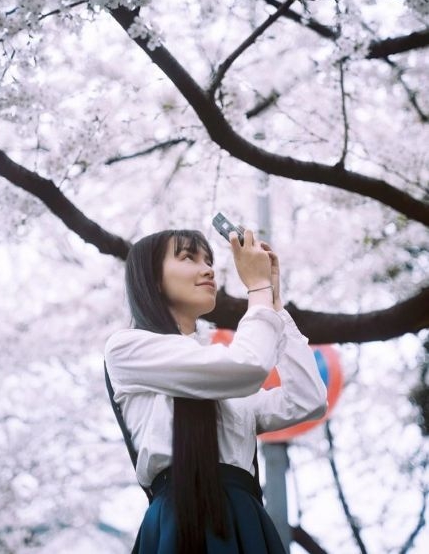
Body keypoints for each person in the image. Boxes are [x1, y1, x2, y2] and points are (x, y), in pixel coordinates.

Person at [104, 228, 327, 554]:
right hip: (180, 520)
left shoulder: (221, 375)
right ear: (151, 278)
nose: (208, 269)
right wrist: (258, 292)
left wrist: (275, 306)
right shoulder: (127, 348)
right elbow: (247, 366)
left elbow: (307, 399)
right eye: (188, 257)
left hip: (244, 518)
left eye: (209, 259)